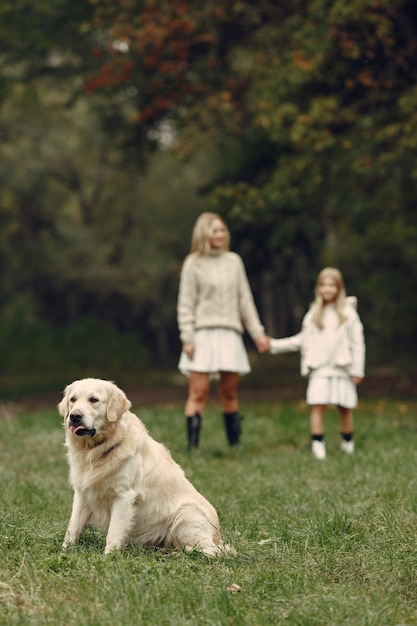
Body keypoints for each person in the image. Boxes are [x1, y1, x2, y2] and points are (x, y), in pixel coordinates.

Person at [177, 212, 270, 450]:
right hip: (202, 334)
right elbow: (186, 302)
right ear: (203, 234)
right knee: (199, 391)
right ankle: (193, 447)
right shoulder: (193, 263)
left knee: (229, 391)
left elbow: (245, 300)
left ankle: (234, 444)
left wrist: (257, 333)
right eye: (214, 230)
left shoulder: (234, 261)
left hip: (230, 333)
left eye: (222, 230)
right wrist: (187, 337)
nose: (220, 235)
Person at [269, 267, 365, 459]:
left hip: (342, 368)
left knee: (344, 407)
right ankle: (318, 445)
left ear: (339, 288)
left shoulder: (348, 313)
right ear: (318, 288)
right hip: (319, 369)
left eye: (332, 285)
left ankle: (348, 444)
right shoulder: (313, 314)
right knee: (317, 406)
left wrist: (357, 370)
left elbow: (358, 342)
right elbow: (301, 340)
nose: (327, 289)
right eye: (323, 285)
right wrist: (273, 345)